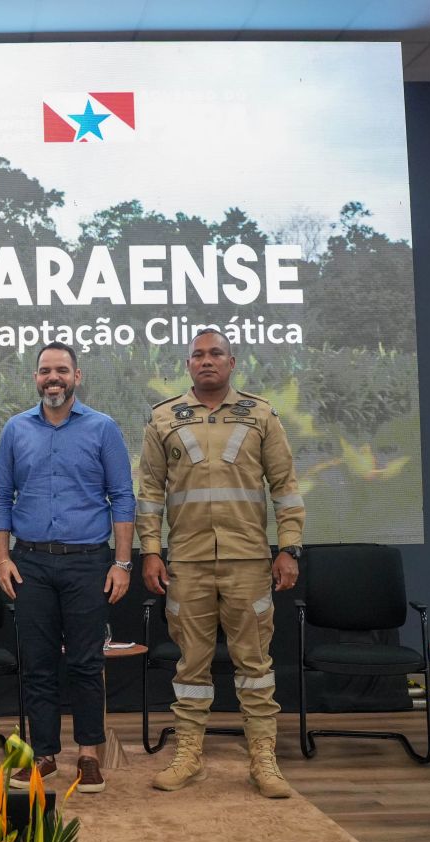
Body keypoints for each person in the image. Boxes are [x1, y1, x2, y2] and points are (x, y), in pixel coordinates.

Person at [137, 328, 304, 799]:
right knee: (191, 666)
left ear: (232, 363)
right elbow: (149, 492)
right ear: (188, 365)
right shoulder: (164, 418)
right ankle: (188, 755)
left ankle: (263, 760)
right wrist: (150, 550)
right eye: (198, 355)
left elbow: (285, 485)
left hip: (247, 561)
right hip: (187, 563)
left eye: (215, 354)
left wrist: (289, 547)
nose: (206, 360)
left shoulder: (261, 415)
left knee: (254, 664)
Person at [0, 342, 135, 795]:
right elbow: (0, 497)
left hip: (88, 563)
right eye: (45, 371)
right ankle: (44, 755)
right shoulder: (16, 429)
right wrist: (1, 559)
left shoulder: (102, 428)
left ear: (77, 376)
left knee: (87, 663)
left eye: (61, 370)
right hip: (30, 562)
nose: (53, 378)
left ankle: (88, 756)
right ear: (36, 377)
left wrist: (122, 563)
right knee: (37, 664)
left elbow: (122, 497)